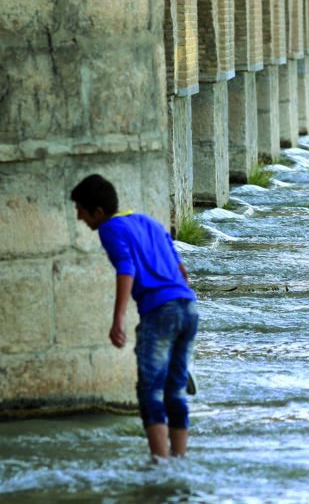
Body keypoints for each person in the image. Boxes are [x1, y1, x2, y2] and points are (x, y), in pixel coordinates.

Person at [71, 174, 198, 463]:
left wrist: (118, 320)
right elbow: (182, 270)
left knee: (150, 390)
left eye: (80, 210)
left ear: (98, 212)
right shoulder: (149, 222)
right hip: (189, 308)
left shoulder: (110, 228)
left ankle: (159, 464)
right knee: (175, 388)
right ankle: (179, 460)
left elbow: (126, 268)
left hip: (160, 311)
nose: (79, 217)